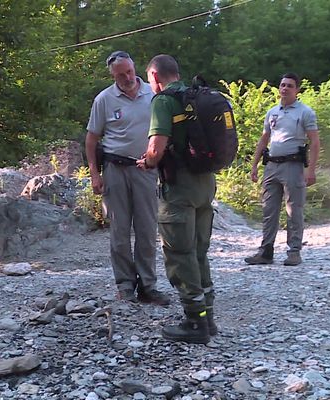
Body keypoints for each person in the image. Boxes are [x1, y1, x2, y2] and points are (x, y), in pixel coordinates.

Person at [137, 54, 217, 344]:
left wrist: (146, 162)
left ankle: (195, 324)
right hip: (205, 184)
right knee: (198, 251)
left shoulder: (164, 100)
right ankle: (208, 316)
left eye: (149, 80)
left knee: (180, 254)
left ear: (156, 76)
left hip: (179, 188)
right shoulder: (196, 95)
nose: (150, 85)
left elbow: (156, 149)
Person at [85, 50, 169, 305]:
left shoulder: (153, 95)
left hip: (145, 170)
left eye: (129, 71)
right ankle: (125, 285)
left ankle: (148, 286)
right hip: (115, 170)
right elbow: (91, 139)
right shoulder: (105, 99)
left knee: (146, 229)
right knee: (119, 231)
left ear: (135, 68)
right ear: (112, 75)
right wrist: (94, 174)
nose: (126, 78)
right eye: (120, 75)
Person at [244, 72, 320, 266]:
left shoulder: (305, 112)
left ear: (297, 90)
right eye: (283, 85)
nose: (285, 88)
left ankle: (294, 251)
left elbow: (315, 142)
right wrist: (254, 165)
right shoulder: (272, 112)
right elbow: (264, 139)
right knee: (269, 209)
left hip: (293, 166)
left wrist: (311, 170)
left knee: (294, 209)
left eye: (290, 86)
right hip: (272, 166)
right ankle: (265, 251)